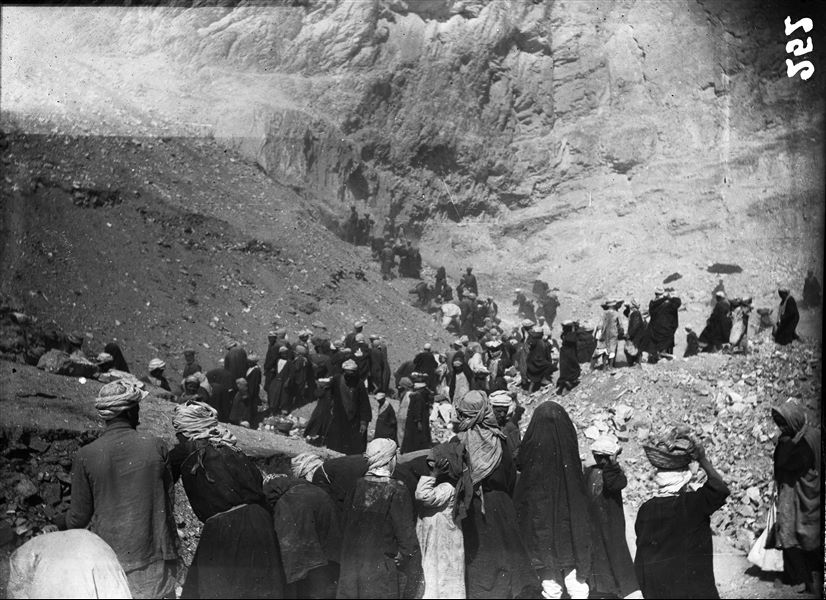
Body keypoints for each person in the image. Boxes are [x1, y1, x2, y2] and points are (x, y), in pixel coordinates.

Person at [59, 381, 179, 599]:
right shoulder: (156, 446)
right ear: (131, 411)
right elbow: (168, 504)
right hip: (154, 563)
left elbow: (78, 518)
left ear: (106, 415)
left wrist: (60, 521)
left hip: (110, 564)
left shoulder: (87, 455)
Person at [170, 401, 284, 599]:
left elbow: (164, 476)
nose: (177, 439)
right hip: (261, 522)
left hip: (226, 530)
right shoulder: (231, 446)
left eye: (178, 434)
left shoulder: (189, 448)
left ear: (186, 431)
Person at [454, 391, 537, 599]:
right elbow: (510, 476)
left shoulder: (459, 441)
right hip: (500, 504)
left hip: (473, 506)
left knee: (480, 559)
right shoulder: (498, 438)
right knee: (506, 556)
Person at [634, 437, 730, 599]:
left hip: (656, 588)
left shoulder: (646, 509)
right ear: (683, 478)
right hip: (691, 590)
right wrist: (702, 459)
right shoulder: (693, 504)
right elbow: (720, 489)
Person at [514, 401, 592, 599]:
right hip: (569, 525)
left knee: (549, 580)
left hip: (542, 525)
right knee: (576, 580)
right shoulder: (569, 452)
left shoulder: (533, 452)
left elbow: (520, 464)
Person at [337, 438, 422, 599]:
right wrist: (406, 554)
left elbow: (345, 523)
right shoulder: (397, 489)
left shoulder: (356, 485)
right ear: (389, 460)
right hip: (381, 567)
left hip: (352, 564)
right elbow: (406, 534)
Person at [771, 398, 822, 594]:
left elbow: (785, 464)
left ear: (794, 421)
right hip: (803, 494)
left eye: (784, 423)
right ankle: (804, 576)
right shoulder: (810, 435)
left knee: (795, 532)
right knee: (797, 532)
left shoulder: (803, 443)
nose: (781, 428)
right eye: (779, 423)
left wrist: (783, 445)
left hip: (802, 495)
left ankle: (804, 578)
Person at [264, 474, 343, 599]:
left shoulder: (285, 497)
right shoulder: (312, 488)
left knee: (304, 564)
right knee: (322, 563)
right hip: (319, 501)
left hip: (296, 508)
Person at [584, 437, 641, 599]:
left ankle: (610, 588)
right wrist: (613, 464)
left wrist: (612, 466)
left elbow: (616, 484)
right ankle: (604, 588)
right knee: (602, 553)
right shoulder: (591, 472)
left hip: (609, 521)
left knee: (611, 553)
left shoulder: (612, 474)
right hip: (597, 521)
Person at [415, 442, 473, 599]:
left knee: (440, 580)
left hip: (442, 544)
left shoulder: (446, 488)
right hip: (443, 543)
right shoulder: (447, 486)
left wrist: (433, 475)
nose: (431, 469)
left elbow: (423, 496)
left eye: (435, 466)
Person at [7, 529, 132, 599]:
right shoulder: (49, 541)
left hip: (68, 569)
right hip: (100, 550)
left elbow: (16, 593)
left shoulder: (20, 554)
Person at [326, 359, 371, 454]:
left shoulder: (359, 383)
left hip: (355, 417)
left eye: (353, 373)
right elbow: (329, 393)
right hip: (340, 414)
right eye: (348, 373)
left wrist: (363, 422)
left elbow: (364, 403)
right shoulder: (337, 380)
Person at [647, 288, 682, 361]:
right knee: (666, 355)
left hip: (654, 332)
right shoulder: (667, 304)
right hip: (665, 333)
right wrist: (670, 297)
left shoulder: (653, 303)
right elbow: (677, 302)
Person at [401, 373, 432, 453]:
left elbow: (418, 409)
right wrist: (418, 421)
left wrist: (418, 421)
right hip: (419, 420)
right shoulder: (420, 395)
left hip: (416, 420)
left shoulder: (417, 396)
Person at [304, 376, 333, 446]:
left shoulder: (328, 390)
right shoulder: (326, 389)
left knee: (320, 424)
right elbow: (317, 394)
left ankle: (317, 438)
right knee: (319, 423)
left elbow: (317, 394)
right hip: (323, 409)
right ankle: (315, 437)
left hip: (324, 409)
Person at [525, 326, 555, 392]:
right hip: (538, 363)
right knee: (549, 366)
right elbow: (547, 355)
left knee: (533, 381)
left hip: (531, 363)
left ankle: (530, 390)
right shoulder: (543, 343)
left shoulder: (533, 341)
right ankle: (543, 380)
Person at [268, 346, 295, 415]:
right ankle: (273, 409)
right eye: (283, 354)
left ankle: (283, 409)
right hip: (277, 380)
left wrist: (287, 381)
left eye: (286, 353)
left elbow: (291, 374)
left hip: (284, 381)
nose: (285, 355)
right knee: (274, 394)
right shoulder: (278, 360)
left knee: (284, 396)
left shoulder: (289, 362)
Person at [556, 320, 581, 394]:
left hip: (564, 353)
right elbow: (573, 338)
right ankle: (567, 385)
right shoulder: (570, 335)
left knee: (565, 368)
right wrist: (573, 329)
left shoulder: (564, 334)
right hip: (569, 353)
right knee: (571, 368)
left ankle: (564, 385)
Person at [622, 300, 645, 367]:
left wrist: (629, 334)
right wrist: (627, 308)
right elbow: (626, 313)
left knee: (635, 349)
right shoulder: (634, 313)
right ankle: (634, 363)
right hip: (637, 335)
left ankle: (636, 363)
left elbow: (635, 326)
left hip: (636, 335)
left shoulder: (636, 314)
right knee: (634, 349)